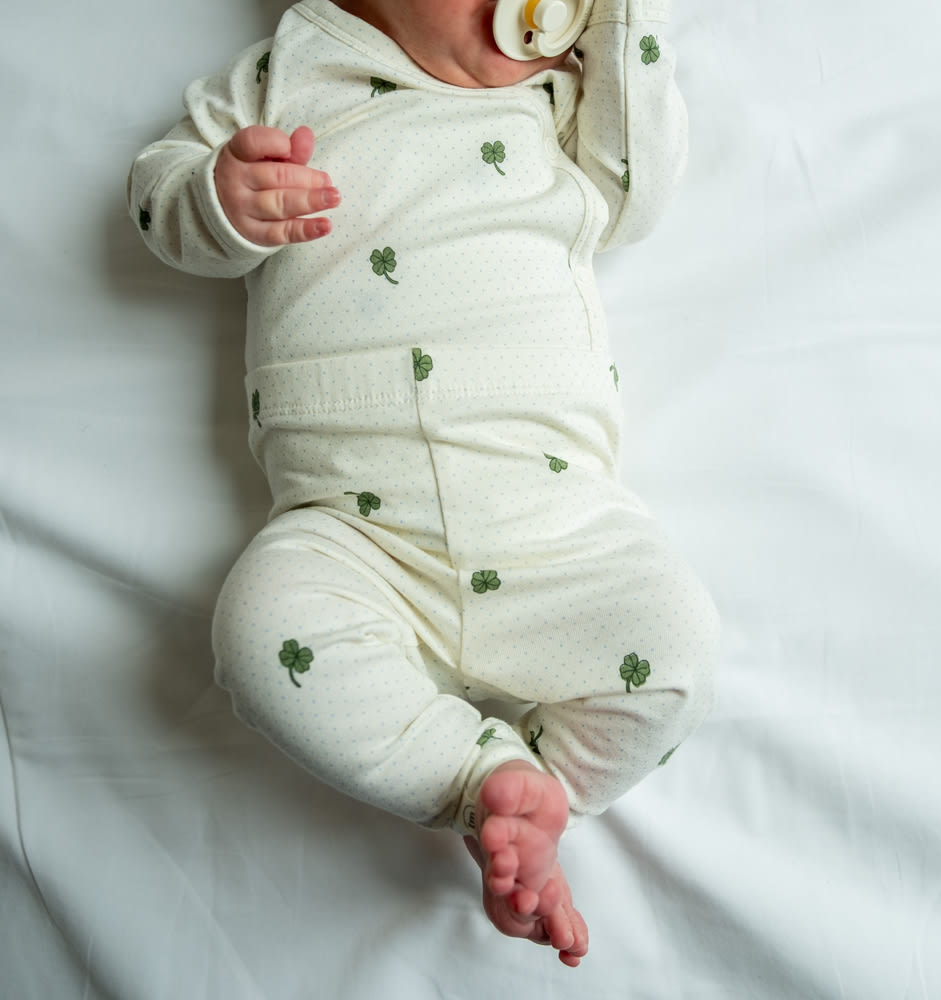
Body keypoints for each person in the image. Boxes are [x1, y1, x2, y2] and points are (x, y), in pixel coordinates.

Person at [128, 0, 719, 967]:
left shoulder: (563, 93)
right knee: (262, 634)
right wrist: (219, 199)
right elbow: (156, 188)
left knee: (675, 646)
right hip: (354, 533)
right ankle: (479, 777)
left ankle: (531, 805)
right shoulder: (288, 72)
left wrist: (622, 28)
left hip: (555, 518)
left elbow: (634, 196)